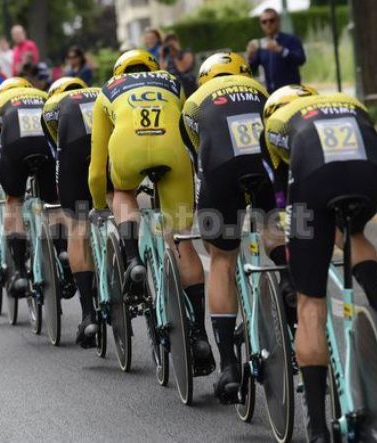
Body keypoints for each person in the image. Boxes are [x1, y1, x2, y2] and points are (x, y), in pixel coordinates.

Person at [262, 85, 377, 442]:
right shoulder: (345, 100)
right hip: (374, 166)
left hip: (314, 174)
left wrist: (296, 270)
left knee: (311, 302)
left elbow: (282, 202)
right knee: (352, 230)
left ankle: (316, 429)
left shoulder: (276, 124)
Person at [88, 49, 214, 375]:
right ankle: (199, 335)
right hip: (172, 153)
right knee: (182, 239)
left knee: (123, 193)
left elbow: (97, 169)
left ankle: (132, 259)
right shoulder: (171, 81)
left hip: (128, 151)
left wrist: (101, 206)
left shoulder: (109, 90)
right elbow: (188, 132)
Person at [181, 52, 291, 403]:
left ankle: (228, 366)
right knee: (270, 223)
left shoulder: (194, 102)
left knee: (222, 259)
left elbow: (199, 156)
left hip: (220, 169)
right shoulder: (259, 88)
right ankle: (288, 284)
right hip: (262, 162)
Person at [0, 77, 73, 299]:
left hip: (15, 145)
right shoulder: (44, 95)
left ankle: (21, 273)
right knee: (53, 202)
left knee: (13, 202)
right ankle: (62, 250)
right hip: (45, 145)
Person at [42, 76, 101, 347]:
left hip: (74, 150)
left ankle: (88, 314)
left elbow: (57, 148)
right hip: (107, 144)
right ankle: (128, 253)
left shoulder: (53, 104)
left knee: (77, 226)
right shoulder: (102, 91)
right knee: (119, 199)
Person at [246, 8, 306, 93]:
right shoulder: (261, 44)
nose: (268, 24)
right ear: (261, 24)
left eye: (272, 20)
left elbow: (301, 59)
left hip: (292, 92)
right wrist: (250, 56)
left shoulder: (291, 39)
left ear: (278, 22)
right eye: (264, 22)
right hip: (272, 95)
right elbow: (251, 71)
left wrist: (281, 50)